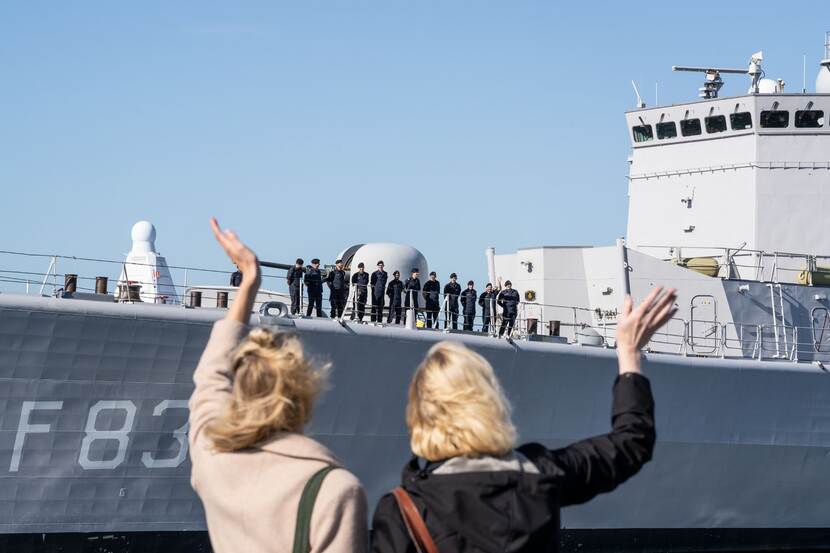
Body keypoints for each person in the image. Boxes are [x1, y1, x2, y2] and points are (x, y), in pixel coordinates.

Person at [370, 287, 678, 553]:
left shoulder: (402, 510)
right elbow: (631, 442)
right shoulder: (540, 477)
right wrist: (629, 353)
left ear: (420, 414)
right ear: (489, 400)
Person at [190, 219, 367, 553]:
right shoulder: (337, 490)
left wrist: (249, 283)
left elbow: (209, 378)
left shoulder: (212, 460)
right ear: (303, 395)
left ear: (240, 391)